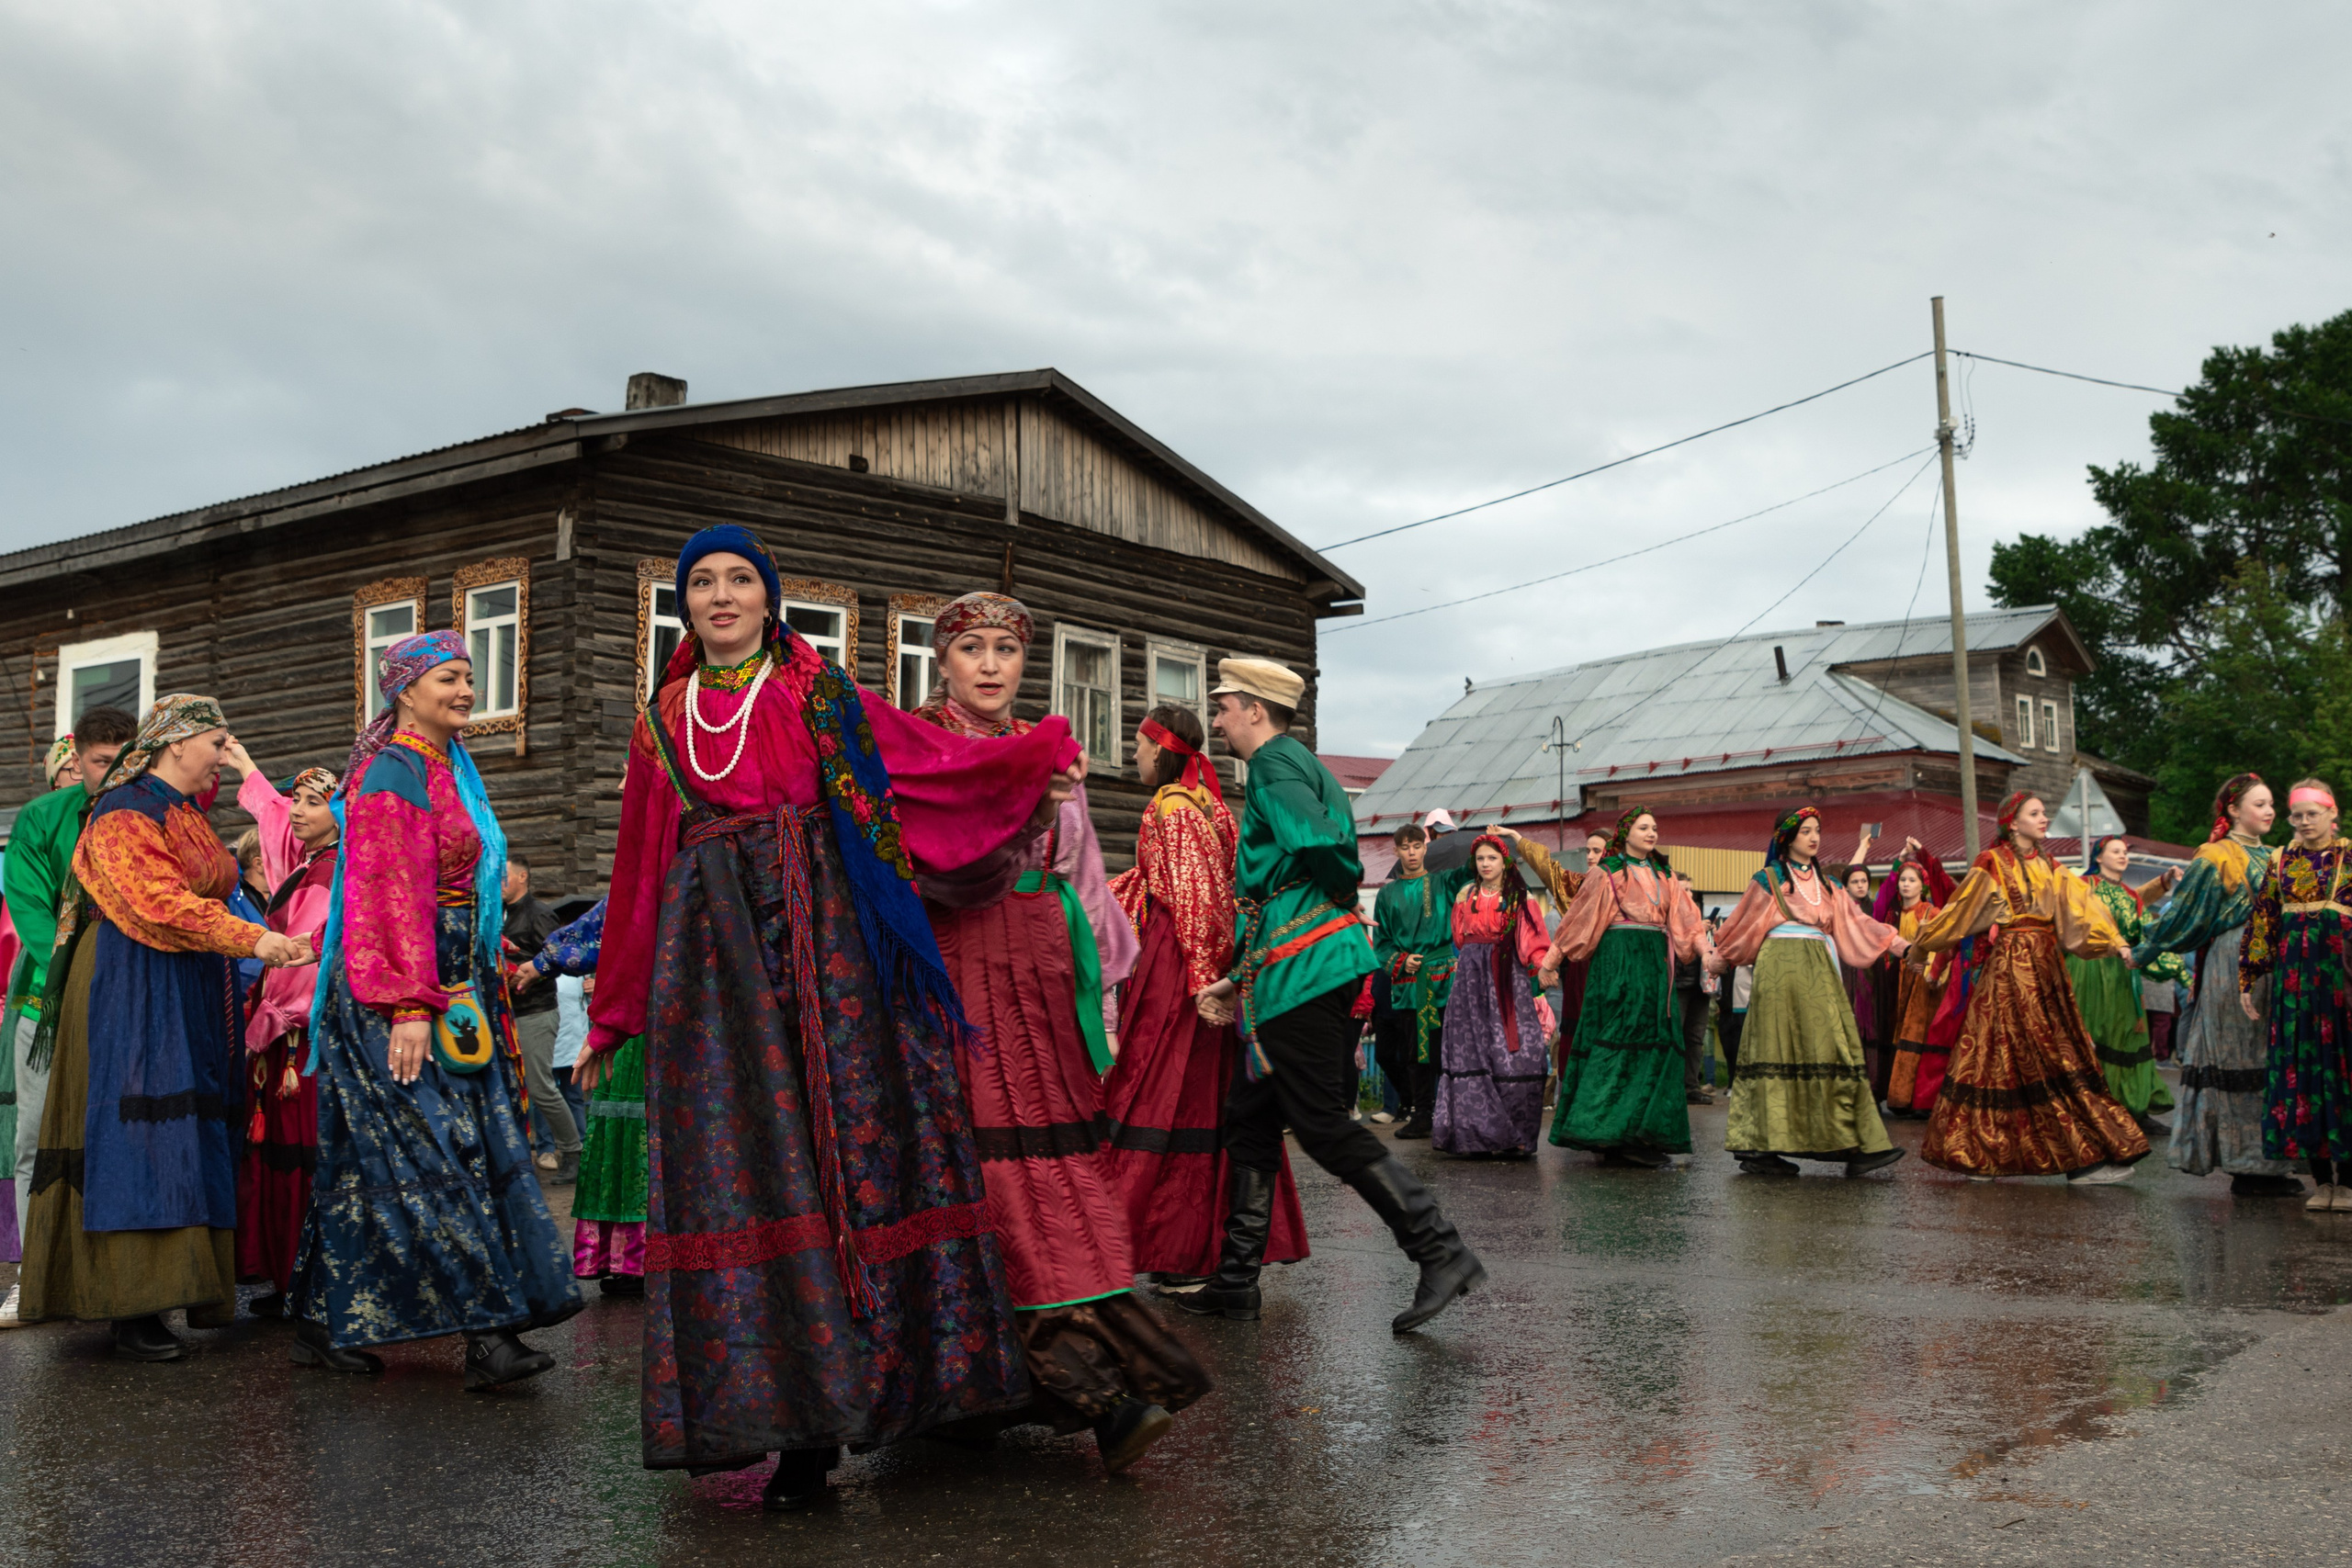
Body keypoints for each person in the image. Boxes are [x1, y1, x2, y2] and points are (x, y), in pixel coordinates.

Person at [582, 534, 1077, 1510]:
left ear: (769, 598)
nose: (722, 596)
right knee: (749, 1171)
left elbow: (917, 771)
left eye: (740, 580)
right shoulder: (662, 718)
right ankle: (791, 1432)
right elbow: (639, 864)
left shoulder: (818, 690)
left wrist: (1016, 771)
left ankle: (897, 1397)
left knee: (849, 1154)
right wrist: (613, 1015)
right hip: (715, 956)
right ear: (685, 604)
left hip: (830, 942)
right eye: (702, 583)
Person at [915, 593, 1208, 1473]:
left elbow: (1084, 881)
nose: (990, 664)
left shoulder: (1051, 749)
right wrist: (1026, 809)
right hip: (964, 964)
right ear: (944, 661)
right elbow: (938, 871)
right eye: (972, 648)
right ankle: (1070, 1387)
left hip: (1045, 969)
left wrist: (1100, 1006)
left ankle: (1021, 1387)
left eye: (1005, 649)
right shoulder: (926, 748)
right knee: (988, 1173)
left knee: (1064, 1171)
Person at [293, 631, 580, 1384]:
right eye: (449, 677)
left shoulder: (450, 764)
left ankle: (320, 1314)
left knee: (377, 1155)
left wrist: (479, 968)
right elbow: (387, 893)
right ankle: (488, 1333)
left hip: (450, 982)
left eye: (469, 677)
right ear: (406, 690)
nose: (466, 690)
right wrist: (410, 1005)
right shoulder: (395, 770)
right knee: (435, 1151)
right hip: (395, 991)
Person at [1178, 658, 1485, 1334]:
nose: (1218, 721)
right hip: (1293, 962)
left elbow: (1321, 846)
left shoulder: (1273, 763)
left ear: (1256, 709)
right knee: (1250, 1118)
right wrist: (1239, 975)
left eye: (1223, 707)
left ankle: (1439, 1249)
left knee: (1320, 1122)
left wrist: (1334, 897)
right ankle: (1235, 1280)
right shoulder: (1299, 763)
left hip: (1306, 967)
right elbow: (1299, 876)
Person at [18, 696, 313, 1359]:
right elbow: (156, 900)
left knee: (183, 1125)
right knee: (140, 1124)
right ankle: (131, 1303)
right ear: (177, 743)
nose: (222, 755)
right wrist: (253, 939)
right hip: (131, 979)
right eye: (216, 742)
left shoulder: (183, 812)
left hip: (184, 979)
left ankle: (178, 1288)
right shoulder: (125, 809)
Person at [1103, 704, 1308, 1287]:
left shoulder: (1172, 808)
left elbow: (1198, 898)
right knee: (1208, 1098)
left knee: (1163, 1090)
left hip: (1178, 963)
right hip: (1194, 958)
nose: (1133, 754)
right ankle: (1202, 1249)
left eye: (1139, 744)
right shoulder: (1209, 805)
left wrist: (1199, 980)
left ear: (1160, 749)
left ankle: (1179, 1249)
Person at [1912, 792, 2149, 1183]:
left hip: (2045, 969)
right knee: (2020, 1056)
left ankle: (1992, 1154)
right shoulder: (1992, 862)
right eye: (2034, 813)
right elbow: (1961, 909)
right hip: (2010, 969)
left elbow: (2082, 906)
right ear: (2013, 822)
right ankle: (2066, 1160)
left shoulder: (2050, 865)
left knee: (2026, 1058)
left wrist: (2116, 942)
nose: (2043, 819)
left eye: (2044, 813)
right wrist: (1924, 944)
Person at [0, 705, 135, 1331]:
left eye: (123, 760)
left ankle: (106, 1275)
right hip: (48, 1002)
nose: (112, 773)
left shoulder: (143, 817)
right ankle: (35, 1276)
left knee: (113, 1134)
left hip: (125, 1002)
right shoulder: (40, 818)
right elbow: (31, 909)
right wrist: (75, 978)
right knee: (34, 1138)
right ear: (77, 759)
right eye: (101, 761)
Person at [1709, 808, 1906, 1179]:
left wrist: (1899, 945)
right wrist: (1717, 960)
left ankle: (1856, 1144)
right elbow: (1741, 924)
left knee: (1835, 1049)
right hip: (1778, 972)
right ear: (1786, 838)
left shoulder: (1828, 884)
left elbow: (1858, 922)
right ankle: (1760, 1149)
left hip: (1819, 971)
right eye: (1805, 831)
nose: (1814, 837)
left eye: (1817, 830)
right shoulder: (1768, 880)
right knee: (1775, 1049)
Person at [2131, 774, 2299, 1195]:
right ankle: (2246, 1166)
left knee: (2270, 1059)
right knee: (2238, 1058)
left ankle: (2271, 1161)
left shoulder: (2277, 856)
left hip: (2274, 964)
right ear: (2233, 810)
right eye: (2259, 804)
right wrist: (2143, 950)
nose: (2270, 811)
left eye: (2271, 804)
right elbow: (2183, 914)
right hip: (2233, 963)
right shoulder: (2216, 855)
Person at [225, 750, 342, 1308]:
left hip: (301, 1036)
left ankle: (307, 1282)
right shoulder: (308, 863)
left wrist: (273, 1014)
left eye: (313, 803)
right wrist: (243, 764)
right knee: (283, 1152)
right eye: (296, 799)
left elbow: (308, 957)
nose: (296, 811)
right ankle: (290, 1277)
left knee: (301, 1154)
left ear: (339, 813)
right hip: (287, 1038)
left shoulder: (331, 871)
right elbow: (272, 819)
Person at [1539, 809, 1711, 1168]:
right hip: (1617, 965)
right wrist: (1550, 962)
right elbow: (1578, 919)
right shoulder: (1608, 872)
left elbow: (1688, 921)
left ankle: (1641, 1133)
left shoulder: (1665, 874)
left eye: (1655, 827)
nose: (1651, 832)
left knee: (1655, 1045)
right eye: (1643, 827)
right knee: (1618, 1043)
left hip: (1655, 967)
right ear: (1625, 833)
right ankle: (1609, 1134)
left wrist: (1707, 953)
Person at [512, 899, 645, 1292]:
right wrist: (544, 962)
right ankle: (627, 1257)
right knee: (622, 1135)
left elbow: (619, 918)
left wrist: (544, 962)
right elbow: (617, 916)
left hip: (648, 1020)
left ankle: (643, 1256)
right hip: (630, 1024)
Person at [2236, 779, 2352, 1212]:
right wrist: (2249, 976)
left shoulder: (2350, 857)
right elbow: (2264, 920)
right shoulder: (2280, 860)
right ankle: (2321, 1181)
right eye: (2297, 815)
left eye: (2312, 814)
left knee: (2343, 1069)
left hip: (2341, 981)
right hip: (2295, 984)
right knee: (2301, 1072)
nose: (2304, 822)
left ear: (2332, 814)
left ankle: (2349, 1181)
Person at [1431, 831, 1550, 1156]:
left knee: (1513, 1051)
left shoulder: (1519, 896)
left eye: (1492, 858)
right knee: (1471, 1049)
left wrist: (1544, 966)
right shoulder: (1465, 894)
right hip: (1470, 979)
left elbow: (1533, 939)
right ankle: (1475, 1135)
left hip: (1507, 976)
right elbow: (1459, 937)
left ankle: (1514, 1135)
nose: (1485, 864)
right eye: (1480, 858)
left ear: (1504, 861)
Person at [2067, 836, 2174, 1135]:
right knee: (2095, 1034)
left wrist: (2179, 972)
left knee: (2129, 1036)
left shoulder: (2128, 894)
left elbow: (2138, 915)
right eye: (2116, 851)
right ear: (2099, 857)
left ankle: (2135, 1109)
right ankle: (2094, 1109)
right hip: (2090, 968)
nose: (2123, 856)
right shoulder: (2083, 886)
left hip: (2123, 971)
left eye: (2125, 852)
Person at [1371, 822, 1463, 1139]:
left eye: (1416, 846)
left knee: (1449, 1049)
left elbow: (1473, 870)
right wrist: (1401, 961)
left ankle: (1456, 1113)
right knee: (1415, 1053)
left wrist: (1495, 840)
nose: (1411, 853)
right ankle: (1422, 1114)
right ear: (1396, 851)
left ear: (1426, 848)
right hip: (1408, 984)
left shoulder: (1443, 881)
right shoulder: (1387, 894)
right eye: (1405, 847)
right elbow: (1381, 943)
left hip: (1444, 980)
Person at [501, 857, 576, 1183]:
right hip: (507, 1014)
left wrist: (527, 974)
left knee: (540, 1087)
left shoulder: (539, 914)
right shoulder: (498, 914)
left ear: (523, 876)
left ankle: (572, 1152)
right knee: (509, 1089)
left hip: (536, 1012)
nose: (498, 882)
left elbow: (558, 960)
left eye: (503, 876)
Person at [1874, 840, 1957, 1120]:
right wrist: (1897, 862)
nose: (1906, 885)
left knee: (1917, 1032)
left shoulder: (1931, 913)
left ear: (1922, 885)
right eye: (1903, 880)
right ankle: (1900, 1096)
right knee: (1898, 1033)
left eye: (1912, 880)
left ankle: (1918, 1098)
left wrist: (1931, 967)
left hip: (1923, 981)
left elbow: (1944, 944)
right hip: (1898, 979)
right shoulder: (1893, 914)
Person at [1674, 870, 1713, 1106]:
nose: (1689, 894)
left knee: (1696, 1037)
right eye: (1684, 889)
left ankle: (1691, 1086)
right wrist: (1697, 931)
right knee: (1675, 1034)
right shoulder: (1668, 914)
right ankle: (1672, 1085)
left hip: (1701, 985)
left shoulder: (1697, 914)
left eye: (1690, 889)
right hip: (1678, 983)